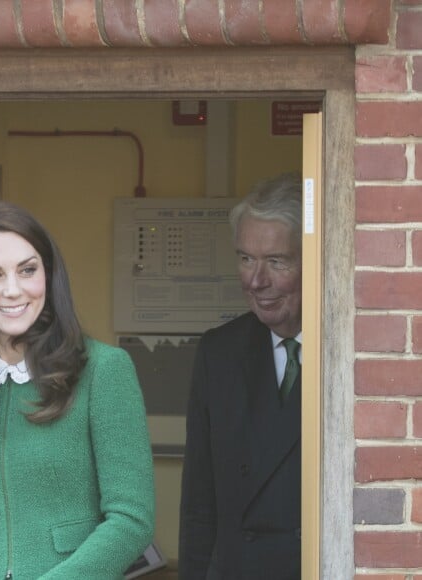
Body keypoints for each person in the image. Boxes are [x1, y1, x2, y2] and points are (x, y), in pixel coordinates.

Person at [0, 201, 155, 579]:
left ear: (48, 275)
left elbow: (131, 519)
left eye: (27, 270)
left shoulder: (104, 370)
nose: (13, 290)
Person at [179, 173, 303, 580]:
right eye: (246, 258)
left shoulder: (353, 353)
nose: (255, 280)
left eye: (276, 261)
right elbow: (199, 504)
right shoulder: (218, 352)